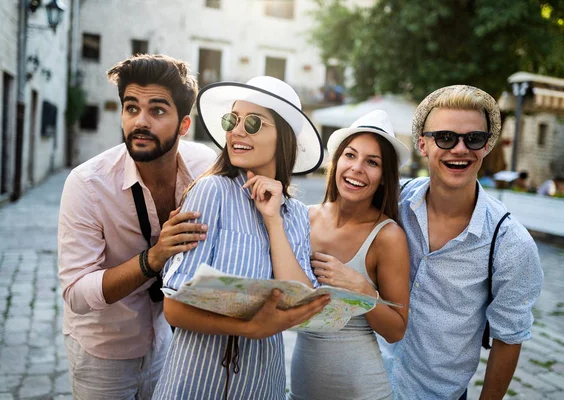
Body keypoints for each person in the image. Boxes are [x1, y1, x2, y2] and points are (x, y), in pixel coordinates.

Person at [152, 76, 330, 400]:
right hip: (196, 381)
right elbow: (173, 309)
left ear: (284, 138)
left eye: (253, 122)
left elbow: (301, 300)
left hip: (263, 383)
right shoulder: (211, 192)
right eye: (232, 120)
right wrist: (250, 328)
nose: (236, 131)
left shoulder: (297, 214)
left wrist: (273, 219)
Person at [57, 54, 217, 399]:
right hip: (103, 352)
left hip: (167, 342)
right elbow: (76, 293)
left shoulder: (205, 167)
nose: (139, 122)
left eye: (157, 110)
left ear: (184, 125)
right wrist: (153, 258)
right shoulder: (87, 184)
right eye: (131, 108)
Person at [378, 85, 544, 399]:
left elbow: (509, 338)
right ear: (422, 144)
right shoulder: (390, 202)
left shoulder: (511, 243)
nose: (460, 149)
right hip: (362, 383)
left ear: (486, 147)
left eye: (474, 138)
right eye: (445, 137)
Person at [289, 110, 411, 400]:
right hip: (301, 389)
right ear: (337, 161)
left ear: (384, 177)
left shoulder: (387, 236)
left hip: (363, 391)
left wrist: (362, 290)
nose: (357, 168)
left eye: (372, 162)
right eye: (350, 156)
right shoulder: (303, 219)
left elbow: (396, 330)